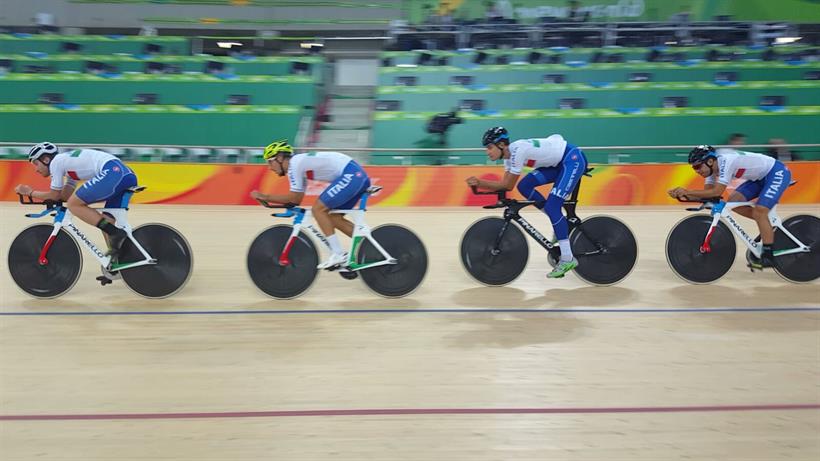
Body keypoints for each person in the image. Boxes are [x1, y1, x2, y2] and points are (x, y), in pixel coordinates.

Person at [466, 127, 588, 279]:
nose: (487, 152)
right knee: (524, 186)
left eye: (490, 147)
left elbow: (507, 185)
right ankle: (560, 222)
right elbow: (505, 183)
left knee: (552, 206)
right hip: (558, 164)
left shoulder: (517, 151)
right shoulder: (508, 158)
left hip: (572, 160)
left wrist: (480, 183)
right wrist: (484, 188)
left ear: (502, 145)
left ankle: (567, 258)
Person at [250, 140, 371, 270]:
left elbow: (293, 198)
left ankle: (338, 254)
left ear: (279, 158)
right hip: (355, 175)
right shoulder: (299, 166)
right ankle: (371, 248)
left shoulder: (295, 164)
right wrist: (269, 199)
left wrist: (265, 196)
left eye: (270, 161)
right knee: (333, 218)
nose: (269, 167)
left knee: (318, 210)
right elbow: (296, 199)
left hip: (352, 174)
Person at [668, 145, 792, 269]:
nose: (697, 171)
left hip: (777, 172)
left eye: (697, 166)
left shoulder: (726, 161)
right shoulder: (711, 170)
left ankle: (768, 256)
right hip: (759, 179)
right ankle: (766, 225)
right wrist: (683, 195)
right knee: (734, 202)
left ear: (710, 161)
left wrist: (687, 192)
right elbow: (707, 195)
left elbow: (716, 192)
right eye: (694, 168)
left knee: (760, 212)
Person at [14, 142, 138, 257]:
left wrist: (30, 192)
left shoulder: (56, 162)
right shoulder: (68, 165)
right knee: (106, 222)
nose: (36, 169)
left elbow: (55, 196)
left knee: (74, 205)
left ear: (45, 159)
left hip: (114, 172)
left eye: (36, 163)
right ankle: (118, 263)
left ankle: (116, 233)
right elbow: (64, 196)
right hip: (124, 173)